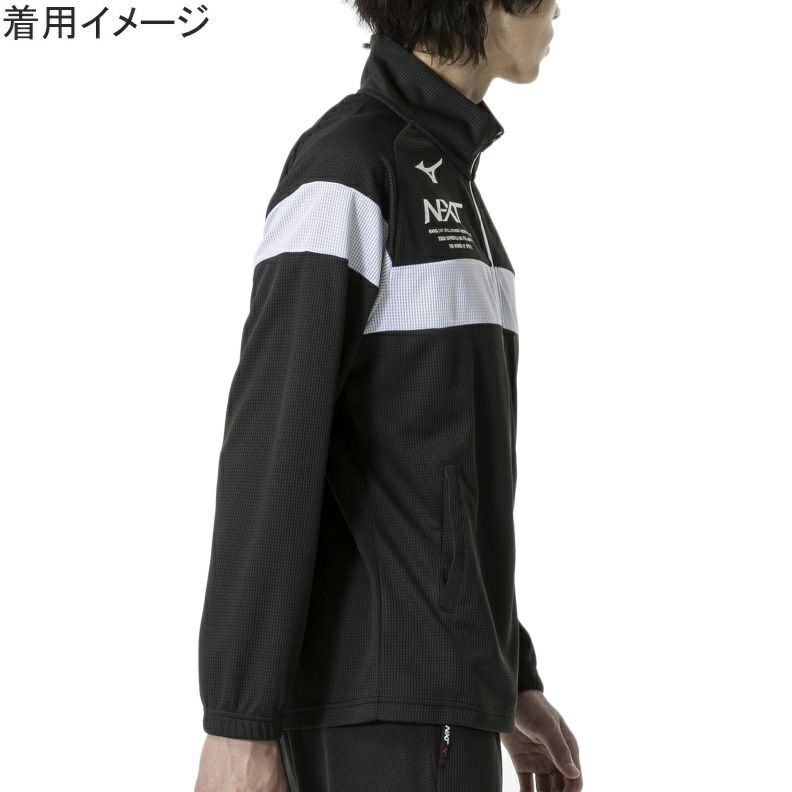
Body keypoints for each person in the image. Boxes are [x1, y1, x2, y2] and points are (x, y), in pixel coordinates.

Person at [194, 2, 582, 790]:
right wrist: (239, 721)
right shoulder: (350, 169)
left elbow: (436, 470)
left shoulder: (441, 177)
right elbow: (274, 443)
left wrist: (507, 671)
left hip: (431, 701)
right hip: (385, 711)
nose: (561, 9)